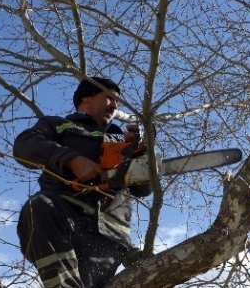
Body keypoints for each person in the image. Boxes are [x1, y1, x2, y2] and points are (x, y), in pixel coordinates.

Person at [13, 77, 151, 288]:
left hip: (109, 235)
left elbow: (144, 188)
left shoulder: (121, 139)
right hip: (64, 220)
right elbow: (24, 145)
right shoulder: (59, 126)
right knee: (37, 206)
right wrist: (71, 159)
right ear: (86, 98)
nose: (115, 105)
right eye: (110, 98)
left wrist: (141, 153)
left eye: (118, 102)